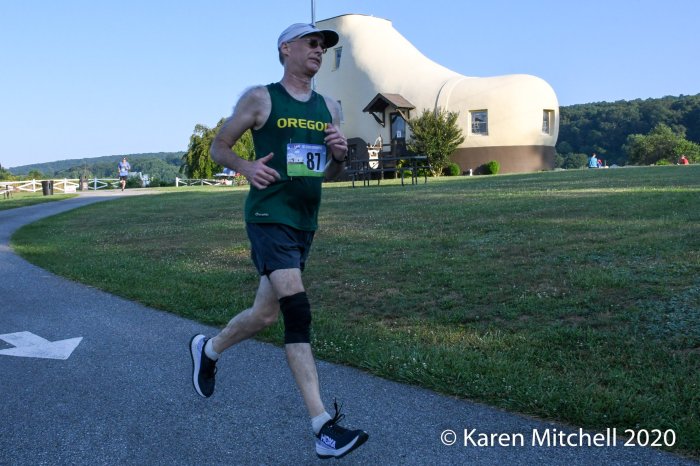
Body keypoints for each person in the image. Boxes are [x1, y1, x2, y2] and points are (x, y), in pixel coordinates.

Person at [189, 23, 368, 460]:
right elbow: (218, 147)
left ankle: (208, 349)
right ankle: (322, 427)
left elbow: (328, 173)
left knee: (264, 314)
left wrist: (340, 155)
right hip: (269, 218)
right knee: (297, 312)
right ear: (286, 49)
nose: (319, 50)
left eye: (323, 45)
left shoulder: (329, 107)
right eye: (312, 43)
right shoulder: (261, 98)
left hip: (305, 223)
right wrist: (247, 167)